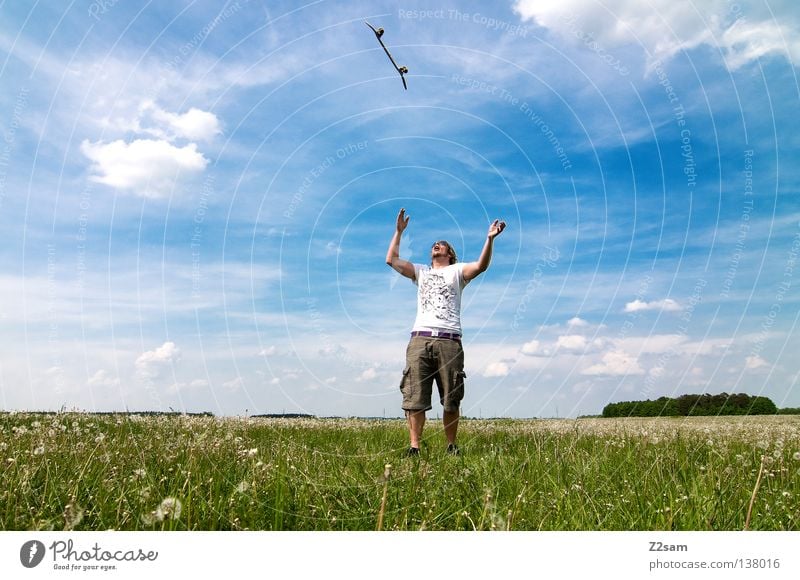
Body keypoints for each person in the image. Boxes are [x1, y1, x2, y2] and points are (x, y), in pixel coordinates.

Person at [385, 208, 506, 456]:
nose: (436, 246)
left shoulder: (458, 271)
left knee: (451, 397)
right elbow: (392, 260)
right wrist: (398, 232)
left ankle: (451, 446)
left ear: (450, 254)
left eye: (442, 245)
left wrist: (489, 239)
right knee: (415, 397)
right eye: (434, 245)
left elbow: (481, 266)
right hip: (420, 338)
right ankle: (414, 447)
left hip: (449, 339)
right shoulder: (421, 271)